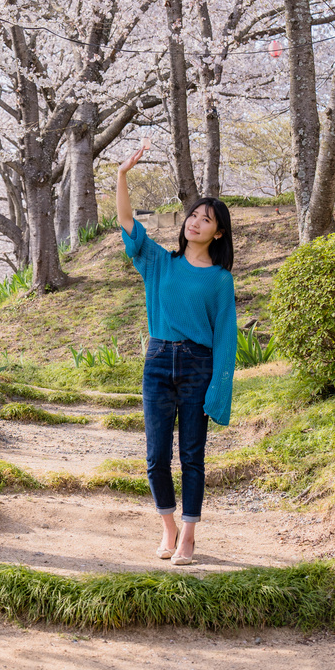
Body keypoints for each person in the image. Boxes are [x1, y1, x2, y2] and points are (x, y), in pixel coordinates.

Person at [116, 145, 237, 566]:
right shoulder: (158, 263)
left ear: (218, 233)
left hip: (197, 366)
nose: (196, 221)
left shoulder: (221, 281)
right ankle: (167, 529)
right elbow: (128, 223)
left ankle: (188, 537)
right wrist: (122, 176)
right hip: (157, 362)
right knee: (155, 457)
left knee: (191, 455)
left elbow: (226, 340)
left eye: (207, 219)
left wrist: (219, 390)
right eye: (194, 215)